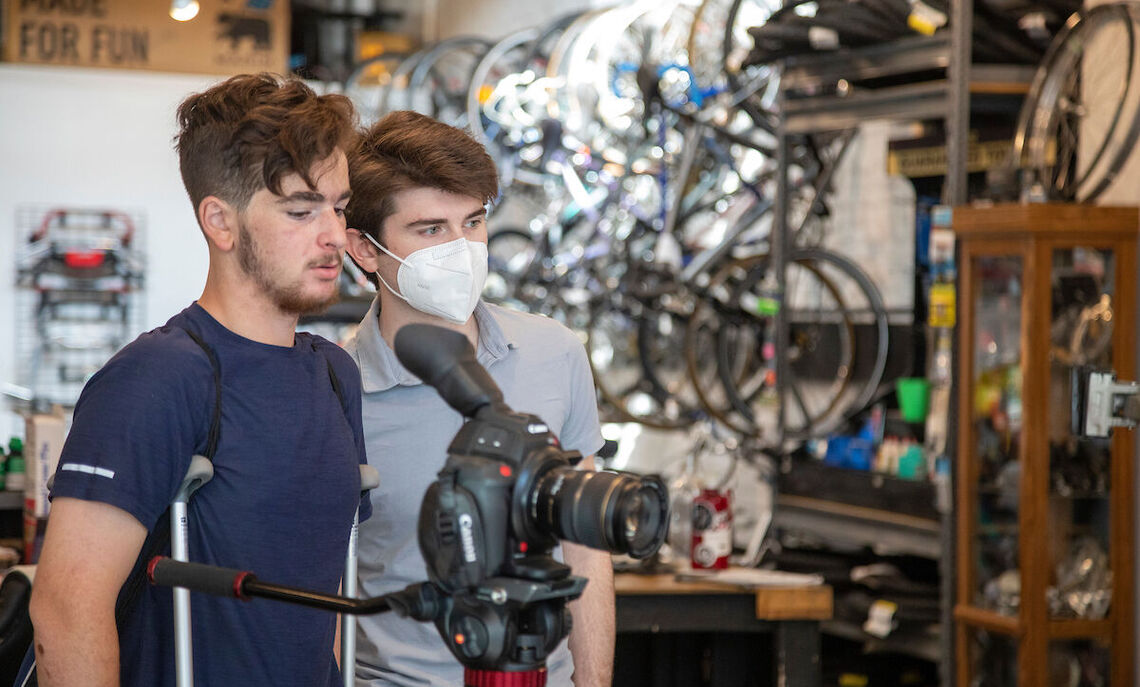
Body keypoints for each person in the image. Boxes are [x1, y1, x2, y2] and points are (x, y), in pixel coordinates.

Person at [26, 73, 369, 687]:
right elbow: (65, 611)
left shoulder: (335, 373)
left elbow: (322, 590)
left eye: (339, 208)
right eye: (300, 211)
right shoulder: (158, 377)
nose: (333, 237)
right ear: (220, 221)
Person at [341, 110, 615, 687]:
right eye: (431, 229)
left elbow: (583, 552)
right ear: (364, 250)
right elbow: (324, 582)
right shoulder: (334, 387)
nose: (462, 248)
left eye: (473, 221)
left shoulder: (554, 352)